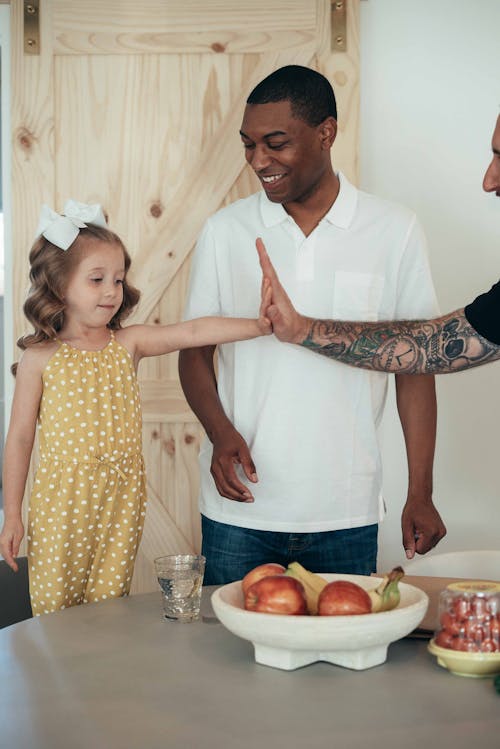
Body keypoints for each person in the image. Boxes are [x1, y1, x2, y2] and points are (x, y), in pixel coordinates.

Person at [178, 65, 446, 585]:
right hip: (241, 510)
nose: (259, 161)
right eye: (248, 145)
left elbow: (415, 367)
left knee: (344, 661)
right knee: (225, 667)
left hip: (344, 512)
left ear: (326, 133)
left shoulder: (394, 230)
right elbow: (194, 353)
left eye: (275, 143)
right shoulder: (225, 231)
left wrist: (421, 491)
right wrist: (219, 430)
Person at [0, 200, 271, 616]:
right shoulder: (41, 357)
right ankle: (56, 681)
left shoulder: (127, 344)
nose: (112, 291)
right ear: (58, 285)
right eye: (97, 279)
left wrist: (258, 326)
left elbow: (194, 331)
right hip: (62, 503)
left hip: (120, 500)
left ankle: (99, 681)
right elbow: (19, 439)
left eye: (118, 280)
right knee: (54, 613)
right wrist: (13, 513)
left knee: (107, 609)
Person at [257, 114, 500, 374]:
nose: (488, 182)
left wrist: (300, 329)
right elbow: (433, 347)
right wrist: (300, 329)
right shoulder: (225, 227)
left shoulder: (397, 226)